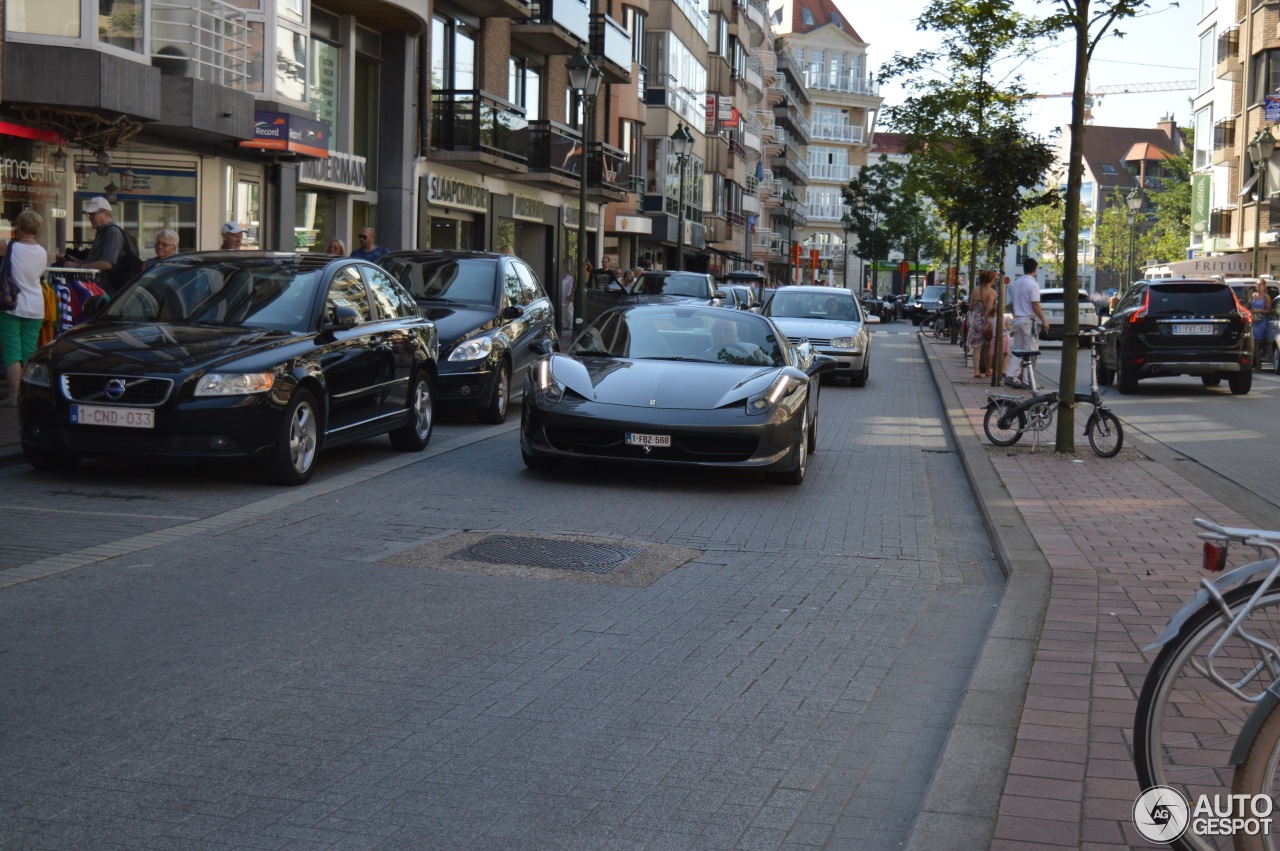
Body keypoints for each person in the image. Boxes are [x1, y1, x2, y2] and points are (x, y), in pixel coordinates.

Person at [1, 210, 52, 405]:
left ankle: (14, 395)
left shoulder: (9, 247)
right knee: (29, 352)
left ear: (19, 227)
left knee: (12, 351)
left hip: (11, 305)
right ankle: (27, 394)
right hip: (36, 306)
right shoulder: (42, 252)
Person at [1003, 258, 1049, 389]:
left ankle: (1011, 375)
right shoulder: (1033, 285)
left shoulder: (1015, 284)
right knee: (1032, 352)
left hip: (1017, 319)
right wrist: (1044, 320)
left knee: (1019, 350)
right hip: (1028, 320)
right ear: (1035, 269)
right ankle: (1029, 382)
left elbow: (1011, 303)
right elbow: (1035, 304)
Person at [58, 196, 125, 279]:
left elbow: (107, 264)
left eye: (93, 214)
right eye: (88, 214)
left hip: (107, 287)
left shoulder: (112, 232)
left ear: (106, 213)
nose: (90, 217)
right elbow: (92, 262)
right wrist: (71, 260)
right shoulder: (102, 231)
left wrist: (78, 266)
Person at [969, 270, 997, 379]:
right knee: (988, 347)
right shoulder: (992, 292)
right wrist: (989, 322)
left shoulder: (975, 290)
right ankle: (988, 370)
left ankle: (976, 371)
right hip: (985, 321)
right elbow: (989, 309)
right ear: (991, 279)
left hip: (974, 320)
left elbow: (970, 306)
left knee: (977, 347)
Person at [1249, 278, 1272, 370]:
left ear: (1264, 286)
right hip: (1253, 321)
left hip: (1261, 322)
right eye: (1257, 284)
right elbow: (1248, 305)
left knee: (1256, 343)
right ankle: (1253, 363)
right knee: (1251, 343)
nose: (1258, 286)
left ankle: (1258, 365)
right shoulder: (1253, 295)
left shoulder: (1266, 297)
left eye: (1260, 284)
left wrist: (1259, 310)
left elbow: (1269, 311)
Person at [560, 265, 575, 334]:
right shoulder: (560, 278)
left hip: (567, 300)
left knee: (569, 313)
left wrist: (569, 296)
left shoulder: (570, 278)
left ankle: (569, 326)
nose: (562, 273)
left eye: (564, 272)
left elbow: (571, 288)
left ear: (566, 272)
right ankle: (563, 325)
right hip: (560, 299)